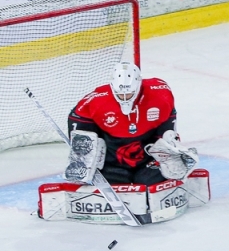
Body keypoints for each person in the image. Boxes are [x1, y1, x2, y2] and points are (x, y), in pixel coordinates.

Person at [66, 61, 198, 186]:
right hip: (113, 160)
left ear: (138, 85)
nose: (124, 98)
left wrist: (169, 147)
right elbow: (77, 117)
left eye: (129, 94)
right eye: (119, 93)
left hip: (147, 157)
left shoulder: (160, 94)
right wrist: (81, 153)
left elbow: (169, 118)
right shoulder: (97, 99)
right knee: (115, 178)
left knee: (149, 177)